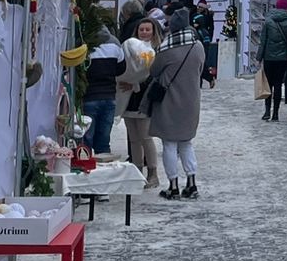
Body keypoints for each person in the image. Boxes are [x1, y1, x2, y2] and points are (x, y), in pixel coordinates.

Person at [145, 17, 207, 199]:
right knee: (186, 142)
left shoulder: (167, 49)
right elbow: (200, 69)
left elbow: (154, 71)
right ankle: (191, 183)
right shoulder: (198, 47)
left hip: (169, 100)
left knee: (169, 144)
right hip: (191, 101)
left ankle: (173, 186)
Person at [119, 18, 161, 184]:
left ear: (153, 32)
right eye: (141, 29)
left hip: (144, 99)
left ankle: (153, 173)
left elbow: (154, 77)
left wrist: (135, 84)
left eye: (147, 30)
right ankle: (136, 172)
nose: (144, 33)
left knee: (146, 137)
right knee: (133, 138)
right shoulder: (129, 48)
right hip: (128, 99)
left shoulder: (156, 51)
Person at [81, 27, 123, 157]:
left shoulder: (85, 42)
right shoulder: (115, 43)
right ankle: (103, 171)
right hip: (109, 95)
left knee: (86, 137)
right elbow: (122, 68)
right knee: (104, 140)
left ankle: (85, 165)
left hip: (89, 95)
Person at [259, 0, 287, 121]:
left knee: (268, 85)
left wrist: (259, 57)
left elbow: (263, 41)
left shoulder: (268, 21)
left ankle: (266, 111)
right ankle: (275, 113)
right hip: (283, 58)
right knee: (278, 84)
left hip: (269, 58)